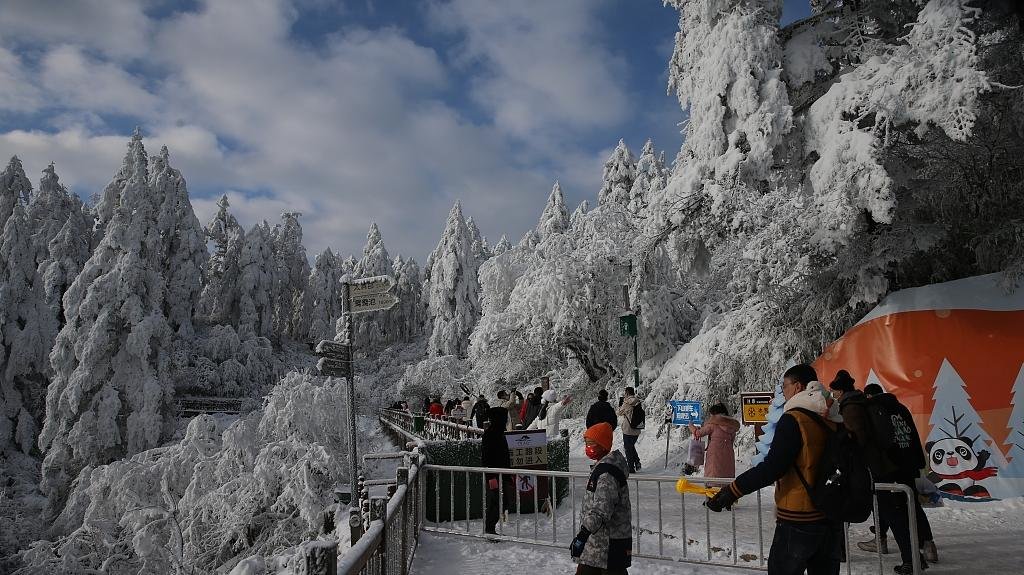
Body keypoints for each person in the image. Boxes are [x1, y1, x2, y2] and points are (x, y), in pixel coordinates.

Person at [705, 364, 840, 575]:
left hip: (799, 519)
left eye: (785, 386)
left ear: (797, 387)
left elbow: (773, 467)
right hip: (831, 516)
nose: (783, 391)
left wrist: (732, 491)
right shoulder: (833, 417)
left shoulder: (794, 419)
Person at [852, 380, 937, 570]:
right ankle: (928, 544)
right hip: (909, 462)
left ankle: (885, 541)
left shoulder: (874, 409)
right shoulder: (900, 408)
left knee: (887, 505)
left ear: (868, 396)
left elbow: (881, 439)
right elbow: (912, 434)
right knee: (911, 504)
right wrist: (918, 462)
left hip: (891, 465)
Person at [570, 422, 632, 574]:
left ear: (602, 445)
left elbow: (601, 509)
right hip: (598, 545)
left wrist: (583, 535)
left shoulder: (606, 474)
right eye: (586, 443)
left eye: (590, 443)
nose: (587, 447)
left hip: (607, 545)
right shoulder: (603, 468)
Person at [481, 407, 512, 535]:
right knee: (497, 502)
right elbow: (486, 458)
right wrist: (491, 476)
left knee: (503, 502)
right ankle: (489, 529)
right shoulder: (490, 434)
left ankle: (490, 528)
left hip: (502, 474)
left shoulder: (499, 432)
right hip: (494, 475)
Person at [688, 403, 740, 479]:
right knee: (726, 473)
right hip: (728, 454)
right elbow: (732, 441)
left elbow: (698, 433)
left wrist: (691, 426)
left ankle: (711, 487)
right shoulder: (731, 426)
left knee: (713, 473)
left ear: (715, 414)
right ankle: (726, 487)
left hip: (714, 453)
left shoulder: (713, 425)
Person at [616, 387, 643, 473]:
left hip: (628, 429)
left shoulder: (627, 402)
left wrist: (621, 404)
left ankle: (630, 468)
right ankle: (637, 462)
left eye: (625, 393)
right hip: (637, 428)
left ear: (627, 393)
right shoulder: (638, 401)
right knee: (631, 446)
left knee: (628, 448)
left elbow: (619, 412)